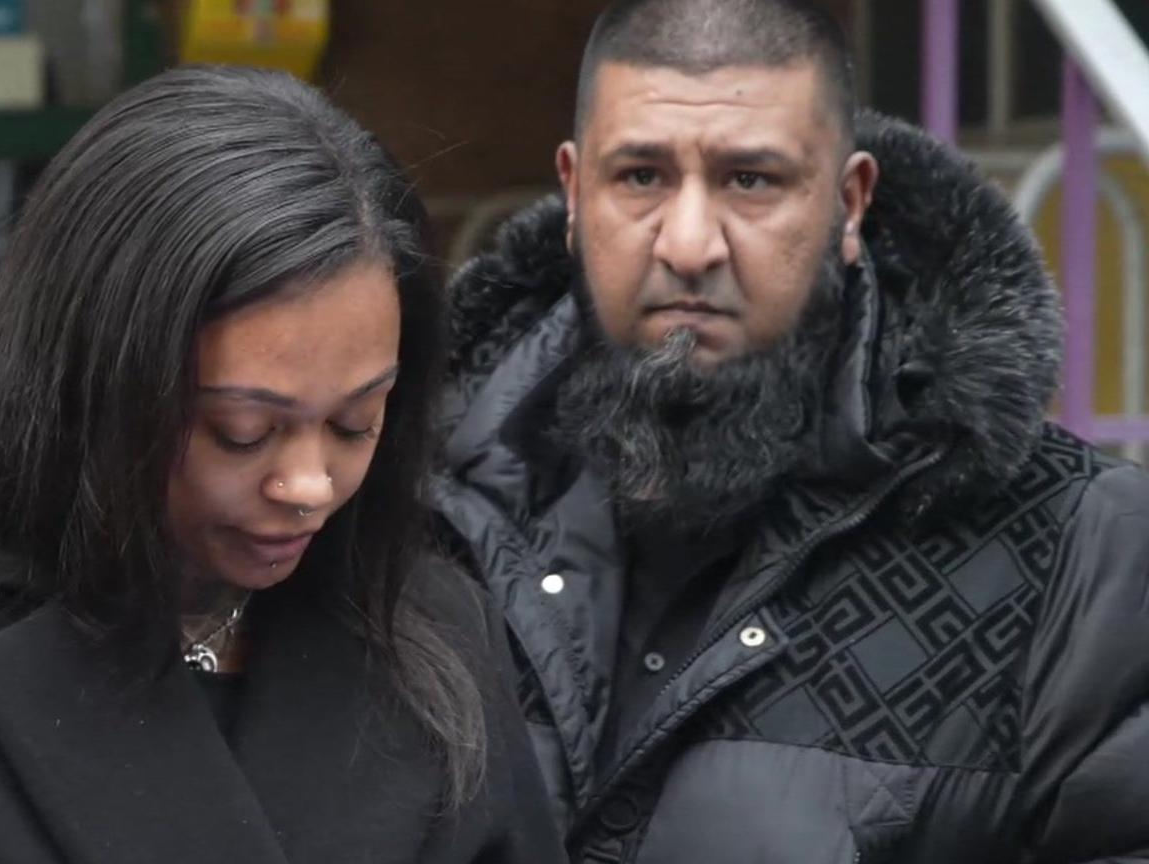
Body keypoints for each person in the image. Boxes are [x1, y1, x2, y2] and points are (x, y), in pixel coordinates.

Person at [0, 66, 563, 864]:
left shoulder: (431, 628)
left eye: (355, 421)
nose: (306, 486)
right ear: (98, 387)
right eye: (241, 430)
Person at [430, 0, 1149, 861]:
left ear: (850, 204)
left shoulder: (1074, 548)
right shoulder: (416, 501)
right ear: (574, 193)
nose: (690, 244)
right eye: (641, 177)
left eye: (751, 180)